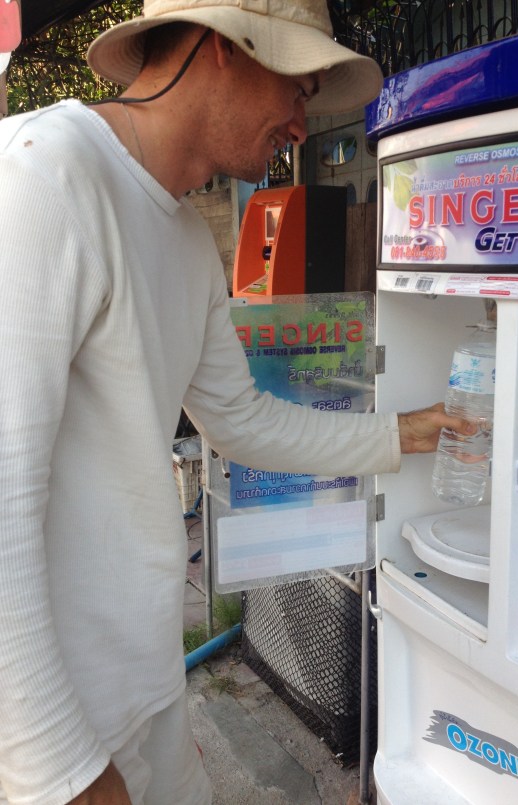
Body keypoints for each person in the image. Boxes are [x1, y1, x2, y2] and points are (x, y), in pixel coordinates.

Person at [0, 1, 475, 803]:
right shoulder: (45, 176)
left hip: (142, 688)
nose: (301, 123)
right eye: (299, 87)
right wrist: (61, 768)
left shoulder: (187, 239)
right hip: (54, 733)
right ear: (223, 45)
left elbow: (244, 420)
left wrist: (404, 432)